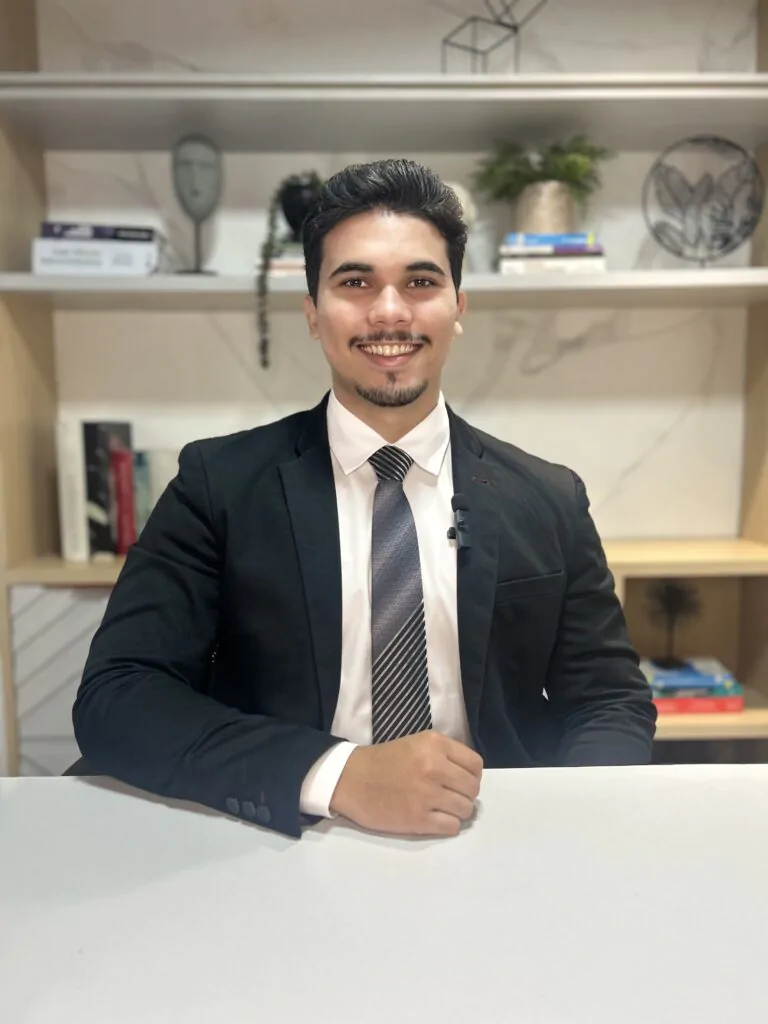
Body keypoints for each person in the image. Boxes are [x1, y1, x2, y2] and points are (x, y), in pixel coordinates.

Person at [72, 158, 657, 840]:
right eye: (355, 282)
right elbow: (120, 692)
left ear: (458, 309)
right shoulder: (216, 486)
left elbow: (609, 701)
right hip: (279, 833)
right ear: (313, 313)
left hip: (490, 835)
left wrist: (568, 830)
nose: (389, 311)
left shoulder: (549, 497)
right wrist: (337, 775)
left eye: (421, 282)